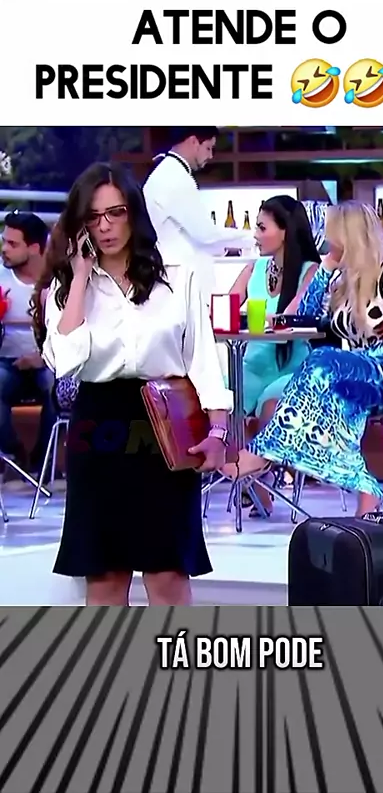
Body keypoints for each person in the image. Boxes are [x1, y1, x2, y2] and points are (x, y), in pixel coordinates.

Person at [31, 162, 233, 607]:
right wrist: (80, 276)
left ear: (133, 213)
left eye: (115, 213)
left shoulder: (177, 275)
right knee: (105, 577)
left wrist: (218, 430)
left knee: (167, 574)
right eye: (93, 217)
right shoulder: (67, 287)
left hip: (164, 424)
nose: (104, 227)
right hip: (98, 425)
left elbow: (202, 358)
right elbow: (65, 360)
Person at [222, 201, 383, 517]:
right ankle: (366, 491)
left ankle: (262, 453)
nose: (326, 241)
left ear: (349, 235)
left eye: (332, 235)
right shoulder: (338, 281)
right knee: (334, 386)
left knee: (326, 360)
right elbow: (301, 317)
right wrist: (325, 268)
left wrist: (354, 363)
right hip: (349, 380)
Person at [229, 195, 320, 515]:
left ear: (285, 231)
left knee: (271, 407)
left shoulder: (311, 271)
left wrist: (264, 319)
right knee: (223, 405)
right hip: (252, 363)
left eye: (261, 227)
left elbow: (293, 315)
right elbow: (225, 308)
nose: (255, 235)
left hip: (291, 365)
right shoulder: (252, 269)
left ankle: (260, 478)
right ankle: (257, 486)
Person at [143, 127, 253, 305]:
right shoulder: (175, 177)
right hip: (177, 281)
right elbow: (207, 235)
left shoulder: (169, 172)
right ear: (194, 142)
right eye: (208, 148)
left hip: (174, 278)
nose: (210, 156)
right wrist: (253, 238)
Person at [0, 211, 55, 474]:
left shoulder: (58, 280)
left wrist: (43, 357)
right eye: (4, 241)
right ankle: (12, 457)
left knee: (57, 385)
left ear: (34, 248)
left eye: (12, 244)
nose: (4, 249)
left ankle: (45, 466)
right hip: (5, 362)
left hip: (50, 362)